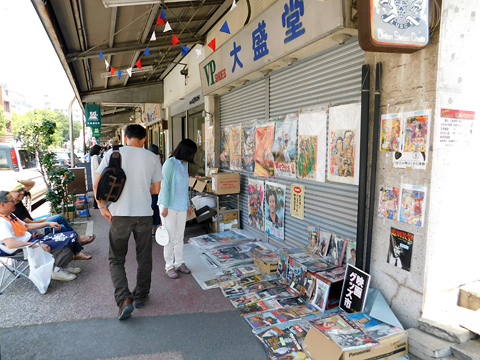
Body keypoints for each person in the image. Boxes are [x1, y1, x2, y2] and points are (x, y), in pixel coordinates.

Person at [94, 124, 163, 321]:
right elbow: (156, 189)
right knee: (144, 257)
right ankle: (140, 296)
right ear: (144, 139)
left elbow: (97, 184)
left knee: (116, 258)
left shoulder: (113, 154)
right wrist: (140, 188)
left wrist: (102, 207)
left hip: (119, 215)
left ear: (125, 138)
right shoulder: (152, 157)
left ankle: (124, 299)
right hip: (144, 214)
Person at [0, 190, 84, 281]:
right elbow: (10, 244)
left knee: (71, 235)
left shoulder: (9, 215)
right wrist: (36, 245)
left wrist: (48, 223)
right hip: (26, 248)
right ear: (2, 204)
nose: (14, 203)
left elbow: (27, 226)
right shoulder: (2, 221)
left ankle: (62, 265)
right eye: (12, 201)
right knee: (68, 240)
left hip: (33, 239)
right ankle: (57, 270)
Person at [11, 182, 95, 260]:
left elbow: (31, 183)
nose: (22, 192)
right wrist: (47, 220)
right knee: (58, 217)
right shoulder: (12, 209)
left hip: (31, 229)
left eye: (22, 190)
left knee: (61, 227)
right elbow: (29, 224)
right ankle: (77, 240)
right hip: (32, 233)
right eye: (18, 191)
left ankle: (74, 252)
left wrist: (17, 180)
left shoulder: (18, 200)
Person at [158, 139, 197, 280]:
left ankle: (179, 262)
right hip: (168, 206)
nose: (192, 156)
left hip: (181, 206)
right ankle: (169, 266)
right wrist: (165, 206)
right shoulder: (170, 163)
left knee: (179, 236)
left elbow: (184, 187)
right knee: (169, 238)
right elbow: (165, 185)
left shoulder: (184, 164)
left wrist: (188, 204)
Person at [148, 144, 162, 236]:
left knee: (151, 207)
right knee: (155, 207)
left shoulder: (149, 159)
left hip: (150, 188)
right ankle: (154, 228)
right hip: (158, 187)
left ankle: (151, 228)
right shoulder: (159, 160)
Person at [90, 145, 102, 209]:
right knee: (97, 191)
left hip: (94, 176)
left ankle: (96, 204)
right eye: (100, 150)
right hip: (96, 176)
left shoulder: (94, 157)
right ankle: (96, 204)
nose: (100, 151)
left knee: (96, 190)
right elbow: (97, 167)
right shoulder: (95, 157)